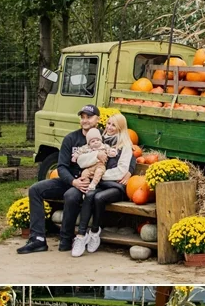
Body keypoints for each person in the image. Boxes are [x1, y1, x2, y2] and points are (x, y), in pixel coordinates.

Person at [18, 104, 101, 254]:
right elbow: (61, 166)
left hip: (89, 184)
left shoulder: (102, 138)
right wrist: (73, 181)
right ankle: (38, 239)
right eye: (82, 117)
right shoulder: (71, 138)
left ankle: (66, 239)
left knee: (71, 196)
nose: (85, 120)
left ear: (98, 119)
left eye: (89, 117)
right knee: (35, 189)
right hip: (69, 181)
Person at [71, 113, 133, 257]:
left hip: (115, 186)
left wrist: (99, 177)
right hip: (97, 183)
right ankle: (81, 236)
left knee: (98, 198)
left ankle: (94, 231)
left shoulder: (125, 146)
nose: (110, 127)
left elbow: (121, 171)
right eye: (108, 124)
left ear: (121, 128)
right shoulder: (97, 140)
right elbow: (81, 160)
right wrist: (94, 162)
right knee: (89, 194)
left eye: (114, 125)